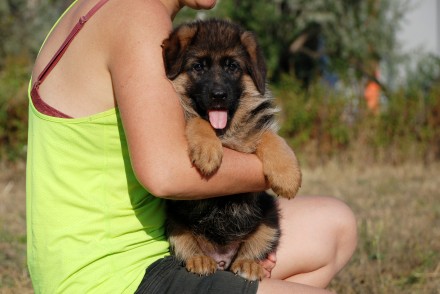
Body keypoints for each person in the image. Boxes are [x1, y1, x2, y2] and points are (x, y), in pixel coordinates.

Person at [26, 0, 357, 293]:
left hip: (101, 256)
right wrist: (268, 167)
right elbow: (167, 174)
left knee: (336, 225)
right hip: (115, 275)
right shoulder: (137, 15)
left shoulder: (92, 8)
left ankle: (238, 278)